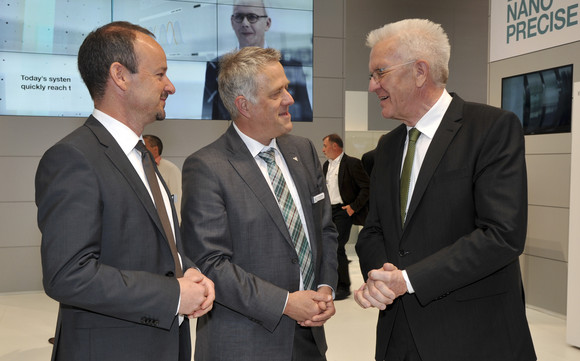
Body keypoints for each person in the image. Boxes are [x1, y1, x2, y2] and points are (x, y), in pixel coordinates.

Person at [354, 19, 536, 361]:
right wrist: (381, 277)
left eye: (379, 73)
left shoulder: (491, 129)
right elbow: (373, 230)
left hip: (473, 337)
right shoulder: (388, 147)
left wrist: (408, 280)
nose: (372, 86)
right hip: (399, 337)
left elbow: (501, 236)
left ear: (420, 71)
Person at [35, 21, 214, 361]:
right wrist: (172, 294)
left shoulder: (140, 156)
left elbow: (152, 244)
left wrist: (186, 269)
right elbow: (67, 275)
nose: (171, 86)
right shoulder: (73, 158)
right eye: (160, 74)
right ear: (119, 75)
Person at [181, 46, 338, 361]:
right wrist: (285, 303)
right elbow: (212, 263)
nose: (290, 100)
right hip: (244, 344)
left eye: (288, 88)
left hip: (309, 339)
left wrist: (325, 287)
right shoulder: (207, 167)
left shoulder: (304, 151)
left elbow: (325, 230)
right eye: (277, 93)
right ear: (244, 105)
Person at [201, 0, 312, 122]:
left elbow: (304, 113)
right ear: (232, 22)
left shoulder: (292, 65)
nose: (245, 23)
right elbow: (210, 116)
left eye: (252, 17)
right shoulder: (216, 66)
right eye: (239, 17)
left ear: (267, 23)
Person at [322, 133, 369, 300]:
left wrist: (353, 208)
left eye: (325, 146)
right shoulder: (326, 166)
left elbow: (366, 187)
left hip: (344, 211)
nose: (323, 149)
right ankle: (334, 283)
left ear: (335, 146)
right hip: (329, 211)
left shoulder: (352, 163)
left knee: (337, 245)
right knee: (330, 246)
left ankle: (344, 286)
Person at [143, 134, 183, 222]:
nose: (140, 149)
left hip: (165, 221)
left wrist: (176, 224)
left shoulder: (170, 168)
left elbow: (176, 197)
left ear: (155, 149)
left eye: (144, 146)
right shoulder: (140, 168)